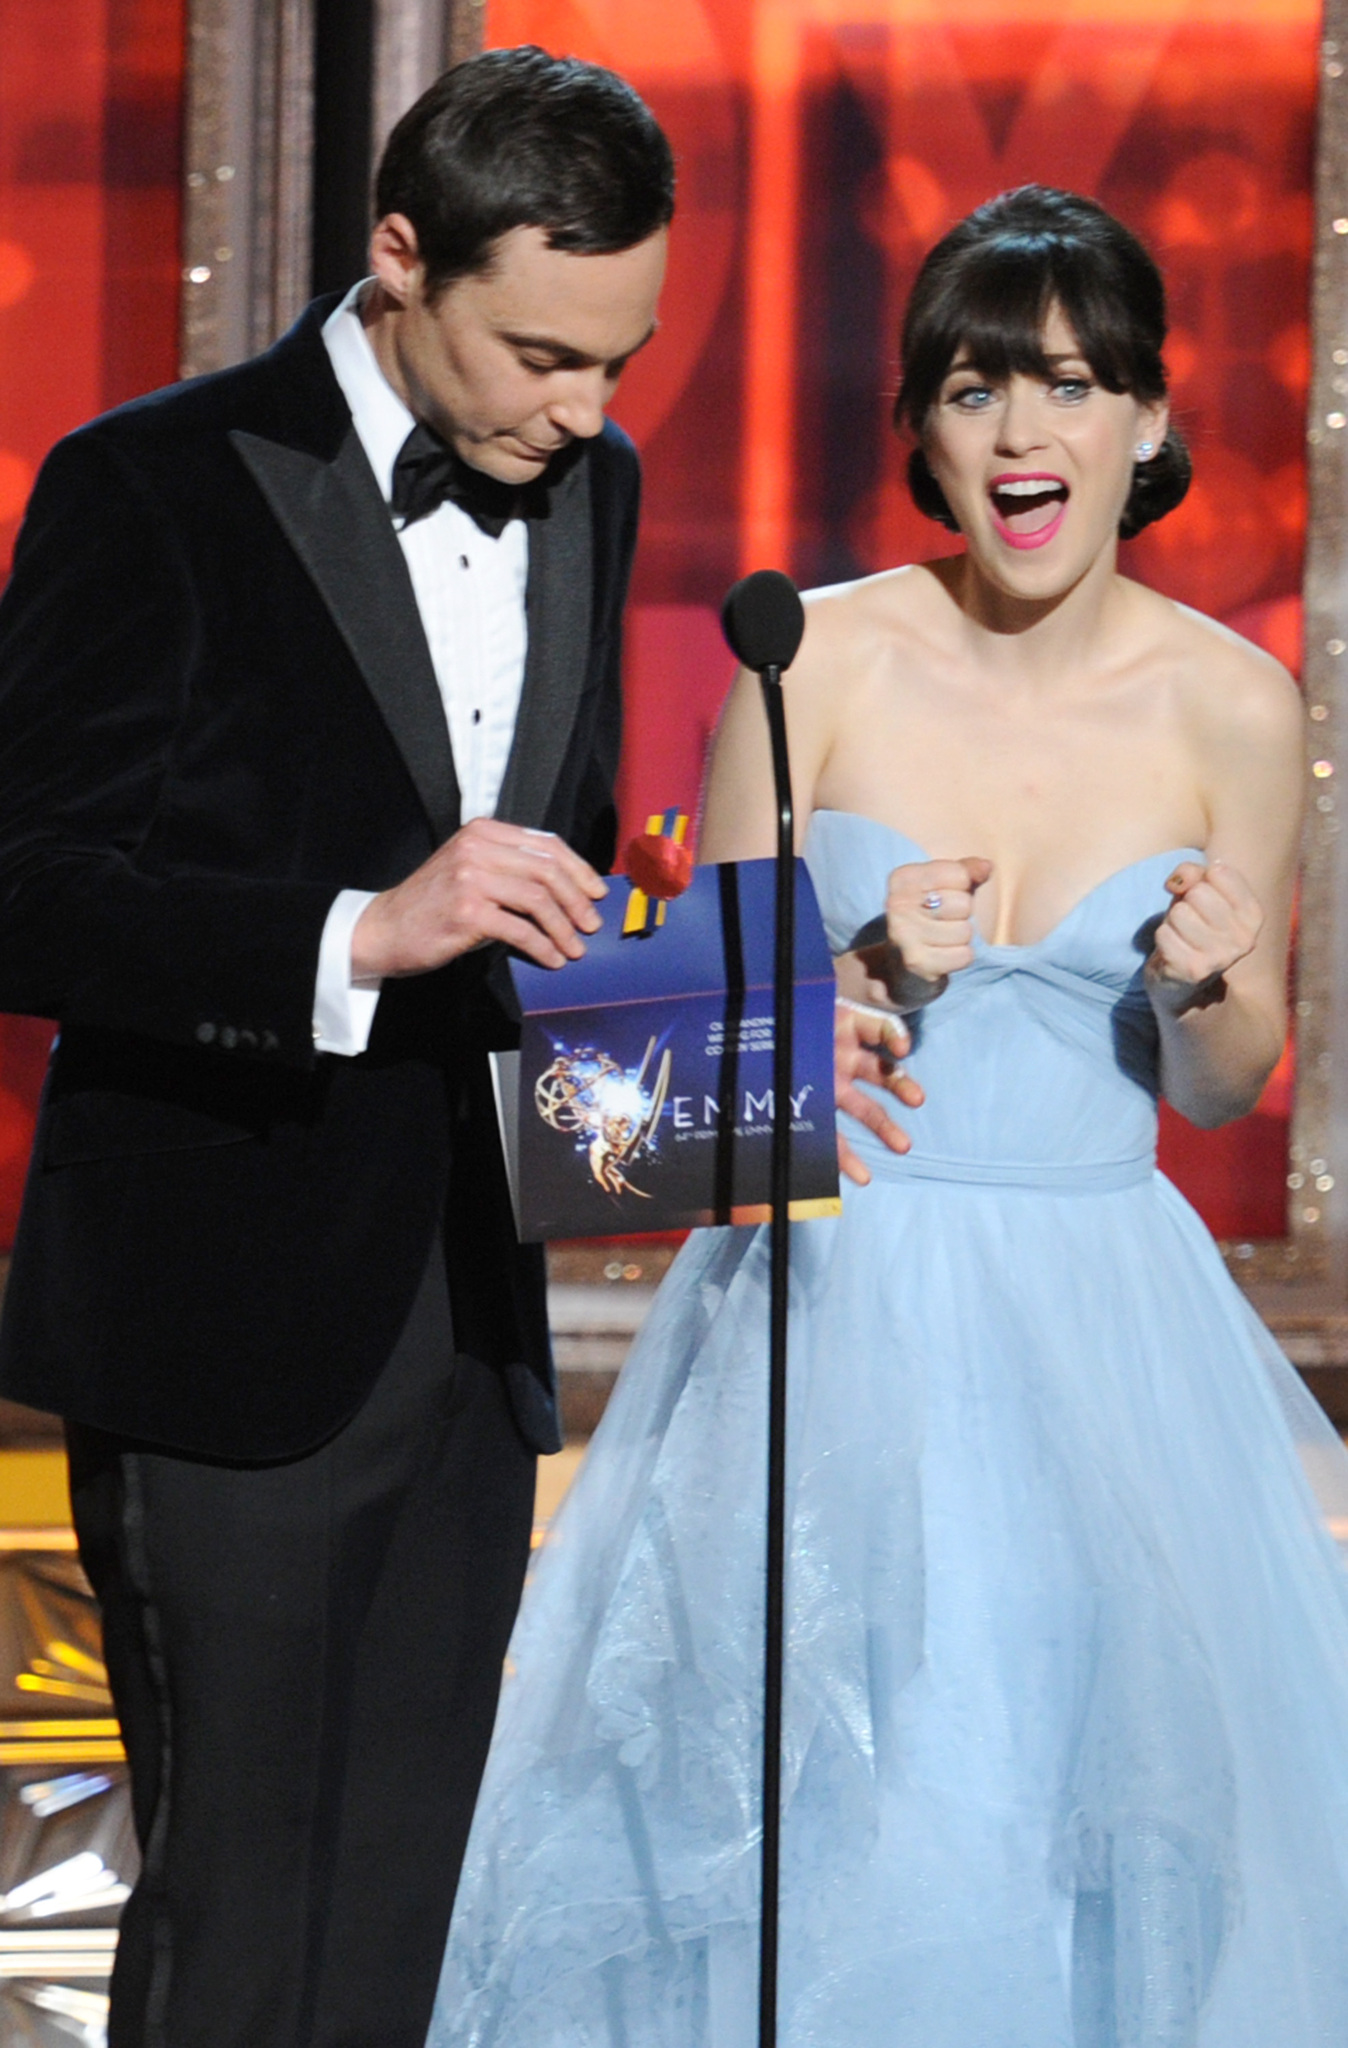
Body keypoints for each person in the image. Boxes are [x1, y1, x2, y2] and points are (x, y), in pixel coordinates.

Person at [429, 186, 1348, 2046]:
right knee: (835, 1827)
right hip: (826, 1325)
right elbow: (665, 1106)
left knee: (1085, 1833)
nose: (1027, 435)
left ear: (1151, 424)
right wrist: (852, 980)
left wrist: (1196, 984)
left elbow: (1232, 1080)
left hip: (1109, 1336)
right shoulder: (810, 661)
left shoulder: (1238, 705)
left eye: (1075, 387)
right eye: (978, 388)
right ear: (924, 426)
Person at [0, 47, 674, 2048]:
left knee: (401, 1912)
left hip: (464, 1325)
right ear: (400, 255)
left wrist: (737, 1043)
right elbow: (27, 886)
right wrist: (355, 936)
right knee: (243, 1916)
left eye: (620, 362)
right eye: (545, 353)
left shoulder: (595, 488)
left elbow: (554, 863)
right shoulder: (148, 482)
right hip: (222, 1318)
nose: (586, 409)